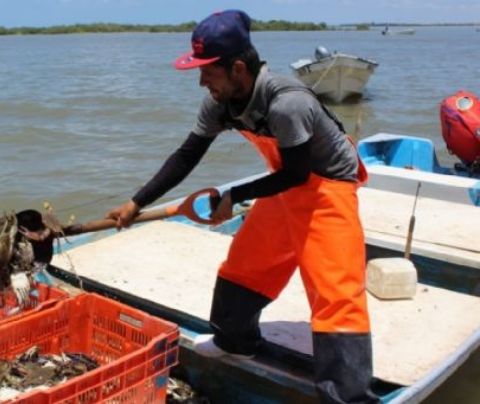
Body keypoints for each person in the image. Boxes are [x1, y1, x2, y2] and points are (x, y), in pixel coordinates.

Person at [105, 9, 378, 404]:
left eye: (207, 72)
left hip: (327, 188)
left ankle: (349, 397)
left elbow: (299, 174)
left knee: (336, 294)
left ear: (237, 68)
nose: (201, 82)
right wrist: (135, 203)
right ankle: (236, 341)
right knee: (243, 268)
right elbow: (186, 156)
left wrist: (235, 195)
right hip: (284, 181)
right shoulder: (220, 104)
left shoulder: (288, 103)